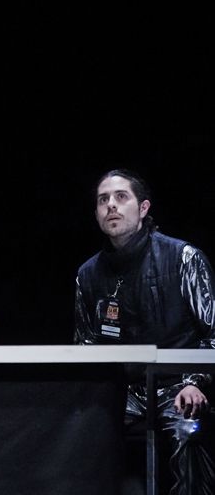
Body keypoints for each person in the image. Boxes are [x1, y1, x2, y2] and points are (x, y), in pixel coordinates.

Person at [75, 169, 215, 493]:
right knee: (74, 428)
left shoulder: (183, 258)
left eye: (121, 197)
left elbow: (212, 334)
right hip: (123, 392)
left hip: (179, 386)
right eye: (103, 200)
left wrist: (194, 383)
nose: (111, 205)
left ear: (143, 208)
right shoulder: (88, 275)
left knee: (189, 429)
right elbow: (84, 346)